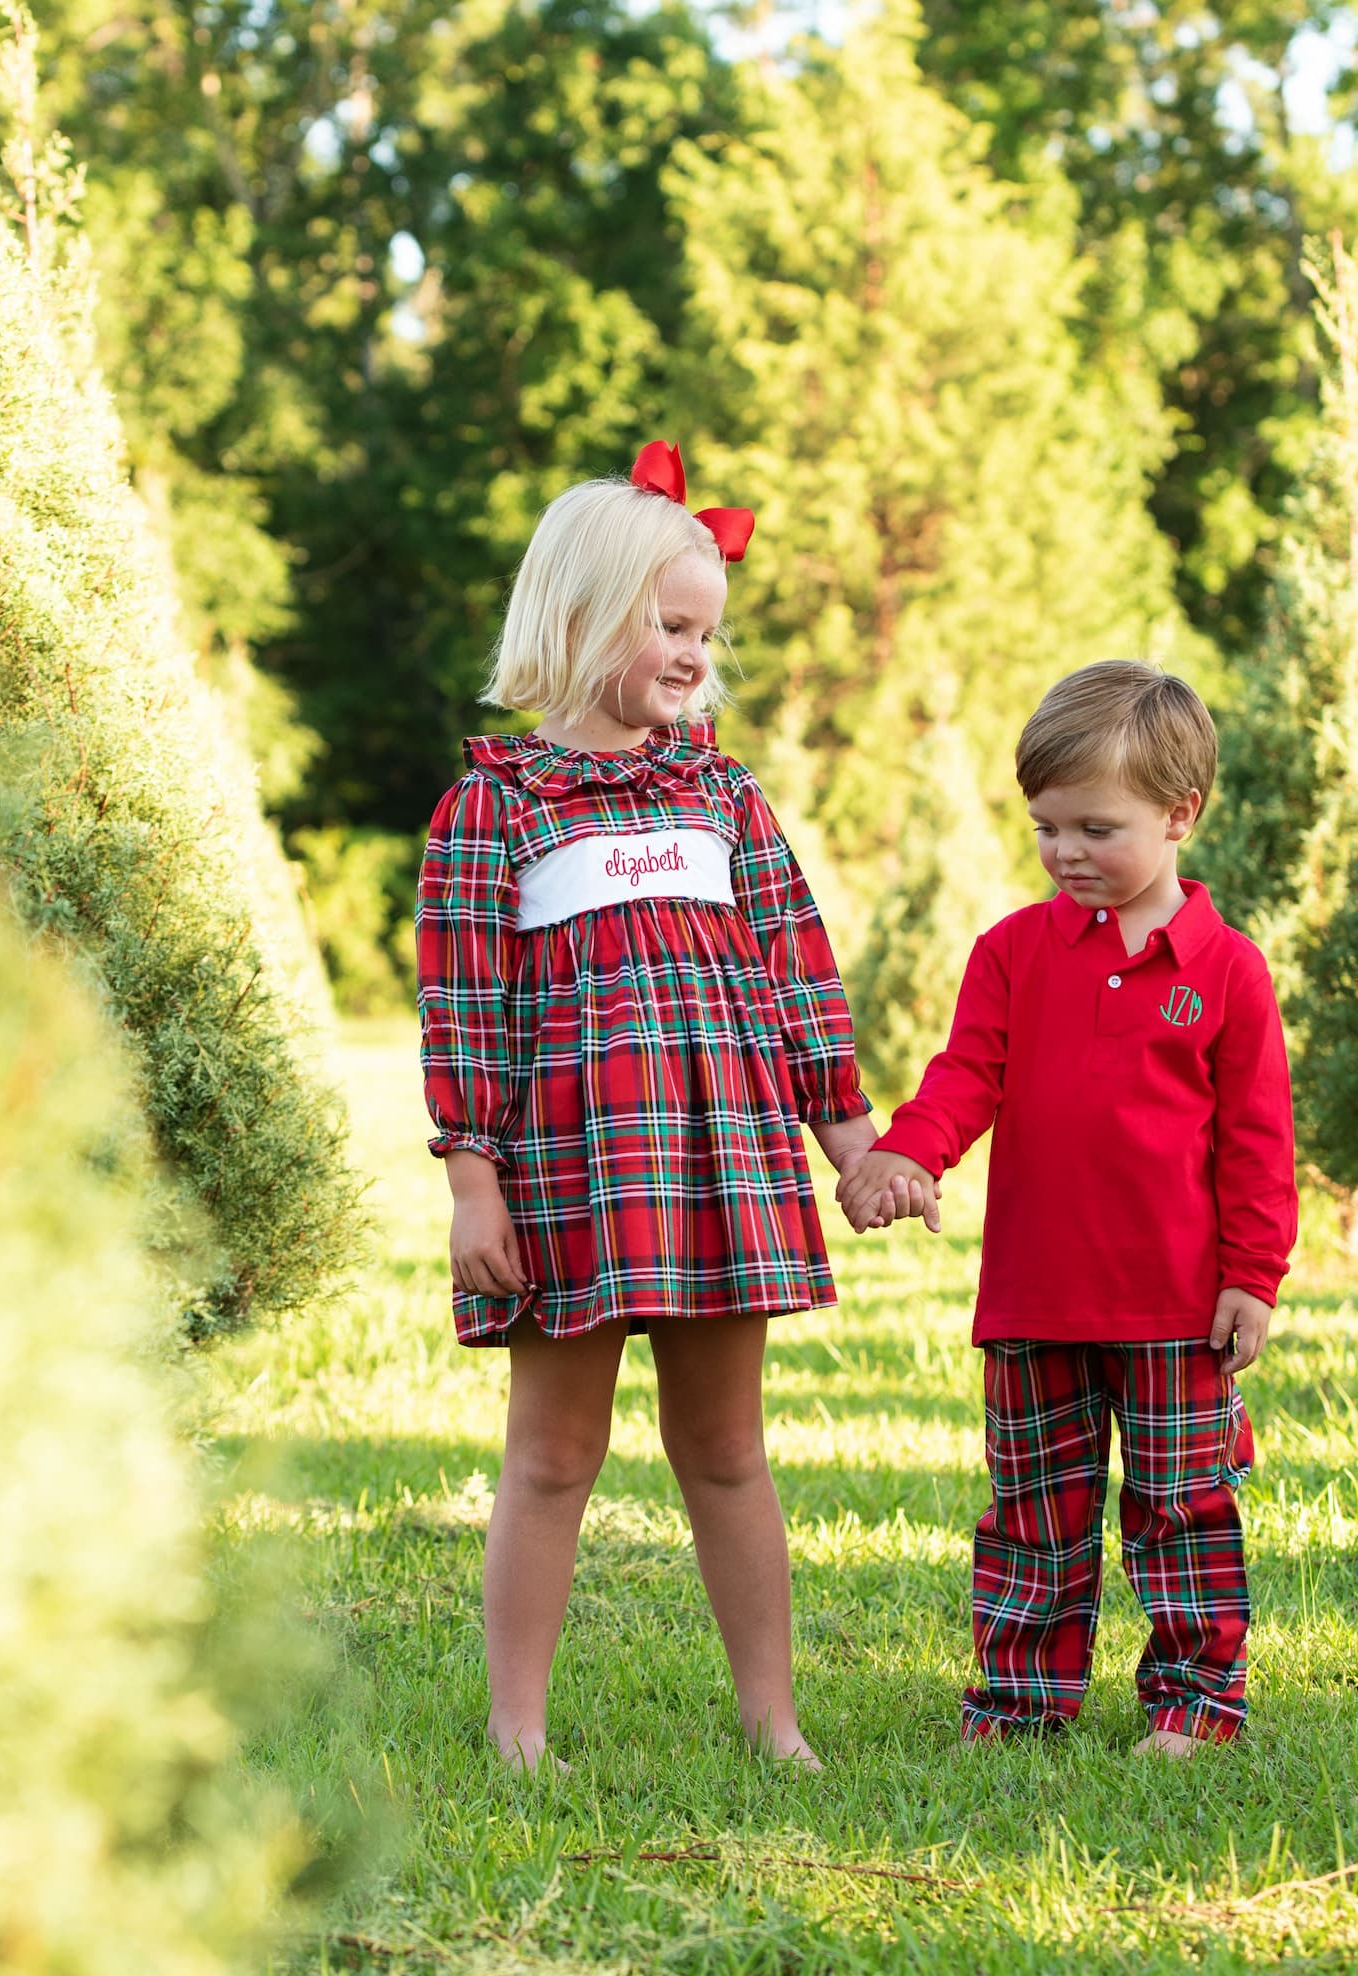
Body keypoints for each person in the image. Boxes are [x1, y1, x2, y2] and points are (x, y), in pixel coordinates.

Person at [416, 442, 891, 1771]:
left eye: (704, 631)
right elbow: (465, 1010)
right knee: (554, 1451)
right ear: (576, 616)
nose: (692, 653)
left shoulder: (725, 796)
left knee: (727, 1448)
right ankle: (517, 1730)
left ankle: (772, 1722)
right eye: (666, 624)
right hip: (576, 1174)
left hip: (725, 1166)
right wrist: (472, 1182)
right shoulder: (495, 807)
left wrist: (851, 1144)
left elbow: (798, 980)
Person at [837, 661, 1297, 1754]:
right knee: (1034, 1519)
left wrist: (1253, 1275)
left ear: (1181, 814)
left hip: (1178, 1307)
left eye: (1097, 826)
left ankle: (1193, 1706)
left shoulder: (1228, 972)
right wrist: (909, 1154)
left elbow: (1257, 1144)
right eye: (1047, 827)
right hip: (1035, 1299)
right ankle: (1019, 1704)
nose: (1066, 852)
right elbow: (964, 1078)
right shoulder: (1012, 953)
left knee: (1183, 1513)